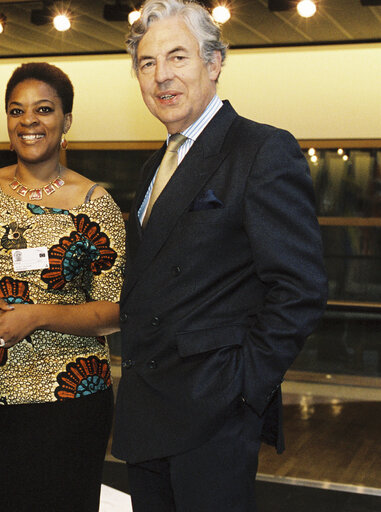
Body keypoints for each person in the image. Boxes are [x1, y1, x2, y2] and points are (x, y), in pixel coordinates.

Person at [111, 1, 328, 510]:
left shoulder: (261, 150)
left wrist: (242, 391)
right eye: (147, 63)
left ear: (214, 63)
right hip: (149, 412)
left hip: (213, 416)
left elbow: (301, 288)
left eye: (177, 57)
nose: (161, 76)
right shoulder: (153, 168)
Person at [0, 62, 126, 512]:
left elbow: (114, 310)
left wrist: (37, 315)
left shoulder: (96, 207)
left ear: (66, 121)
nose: (29, 121)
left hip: (66, 403)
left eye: (44, 109)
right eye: (16, 110)